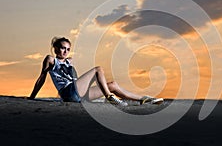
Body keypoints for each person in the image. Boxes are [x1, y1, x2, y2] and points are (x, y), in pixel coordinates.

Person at [28, 37, 163, 106]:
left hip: (78, 94)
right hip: (68, 92)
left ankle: (144, 99)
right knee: (98, 69)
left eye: (68, 49)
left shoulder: (70, 60)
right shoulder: (51, 60)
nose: (65, 51)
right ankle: (110, 97)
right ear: (56, 48)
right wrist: (32, 97)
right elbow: (42, 78)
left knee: (113, 85)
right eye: (63, 48)